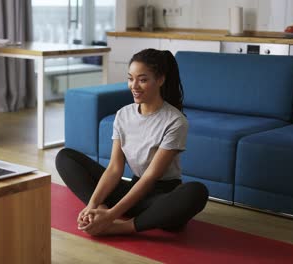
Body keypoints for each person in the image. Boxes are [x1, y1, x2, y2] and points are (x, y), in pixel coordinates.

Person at [55, 48, 209, 236]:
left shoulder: (175, 121)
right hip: (132, 189)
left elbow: (150, 177)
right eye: (130, 78)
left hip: (159, 196)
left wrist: (112, 217)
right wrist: (94, 206)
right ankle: (99, 212)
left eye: (142, 80)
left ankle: (121, 228)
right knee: (65, 157)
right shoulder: (123, 114)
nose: (134, 86)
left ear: (160, 80)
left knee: (196, 192)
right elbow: (114, 168)